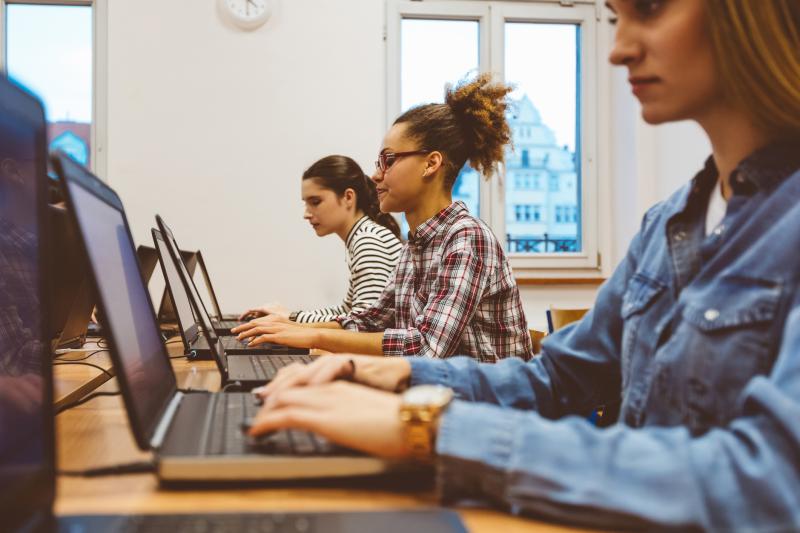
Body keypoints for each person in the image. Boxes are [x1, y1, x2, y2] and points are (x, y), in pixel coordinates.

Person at [244, 0, 800, 529]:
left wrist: (426, 425)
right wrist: (393, 372)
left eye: (649, 9)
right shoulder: (669, 222)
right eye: (613, 17)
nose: (616, 49)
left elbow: (768, 483)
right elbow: (558, 377)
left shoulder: (467, 238)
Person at [233, 74, 534, 362]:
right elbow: (370, 321)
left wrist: (313, 338)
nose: (376, 174)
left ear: (431, 164)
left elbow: (425, 348)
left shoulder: (467, 238)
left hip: (489, 407)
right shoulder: (415, 247)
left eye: (388, 160)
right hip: (440, 395)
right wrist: (294, 329)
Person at [238, 155, 402, 323]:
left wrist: (291, 318)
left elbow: (363, 324)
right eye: (306, 204)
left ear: (348, 197)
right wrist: (286, 315)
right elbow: (346, 311)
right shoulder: (363, 236)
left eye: (315, 202)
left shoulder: (368, 240)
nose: (306, 214)